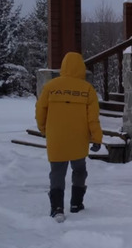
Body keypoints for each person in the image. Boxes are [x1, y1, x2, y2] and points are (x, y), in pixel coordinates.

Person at [35, 52, 103, 223]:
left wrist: (44, 130)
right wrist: (96, 138)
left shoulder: (51, 86)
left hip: (56, 138)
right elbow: (93, 118)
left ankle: (57, 208)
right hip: (79, 139)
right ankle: (76, 203)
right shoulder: (87, 89)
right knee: (79, 170)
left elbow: (40, 111)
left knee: (57, 173)